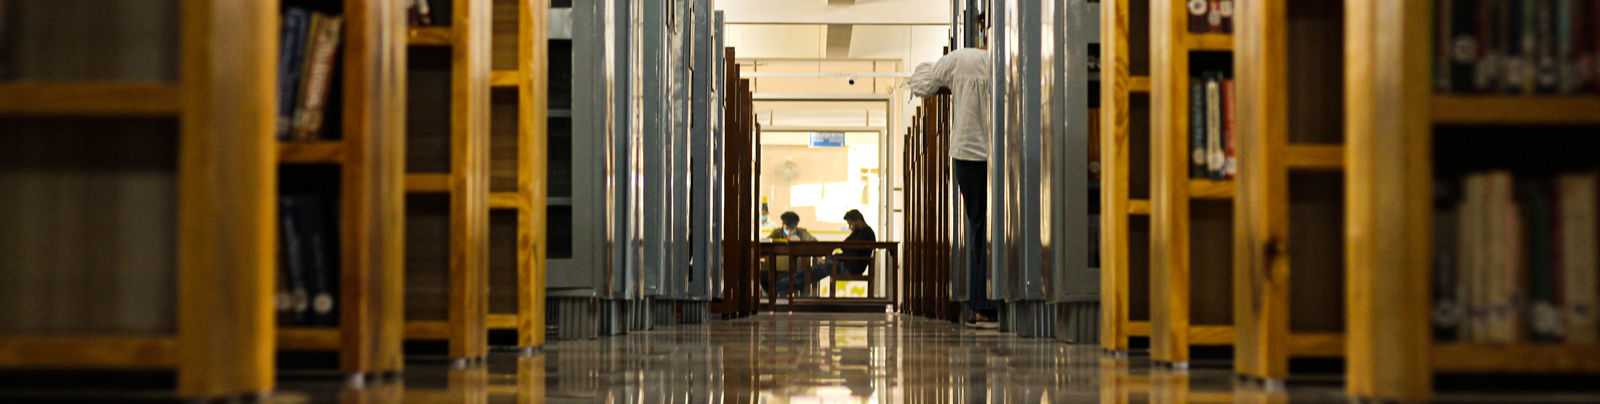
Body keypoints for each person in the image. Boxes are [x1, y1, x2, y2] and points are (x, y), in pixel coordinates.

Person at [908, 47, 1000, 327]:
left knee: (978, 228)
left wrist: (948, 86)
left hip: (966, 153)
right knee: (996, 229)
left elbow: (920, 81)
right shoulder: (1005, 57)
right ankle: (986, 304)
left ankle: (980, 305)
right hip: (999, 153)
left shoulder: (959, 59)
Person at [772, 209, 876, 297]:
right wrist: (833, 257)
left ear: (858, 221)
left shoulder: (866, 233)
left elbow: (852, 251)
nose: (849, 227)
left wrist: (834, 257)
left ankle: (779, 287)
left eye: (851, 224)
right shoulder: (858, 232)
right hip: (847, 265)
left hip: (850, 268)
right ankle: (783, 287)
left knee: (813, 271)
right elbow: (845, 246)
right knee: (812, 271)